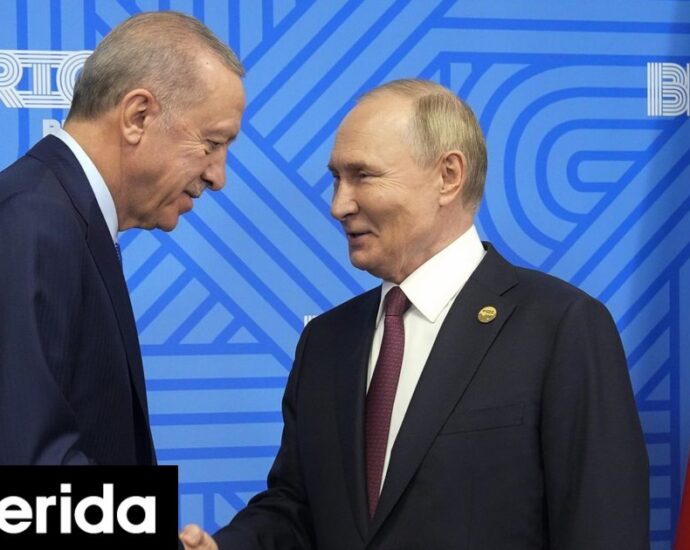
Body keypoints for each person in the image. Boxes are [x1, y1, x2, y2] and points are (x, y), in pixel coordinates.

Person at [180, 79, 648, 549]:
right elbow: (297, 508)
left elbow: (602, 528)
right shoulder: (326, 340)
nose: (339, 205)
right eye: (337, 178)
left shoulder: (559, 327)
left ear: (448, 176)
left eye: (363, 176)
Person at [0, 11, 245, 465]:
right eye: (212, 143)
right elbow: (29, 464)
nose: (218, 176)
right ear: (137, 116)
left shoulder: (62, 215)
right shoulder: (33, 220)